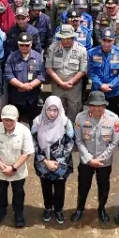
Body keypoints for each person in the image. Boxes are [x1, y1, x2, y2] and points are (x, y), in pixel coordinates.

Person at [71, 90, 119, 222]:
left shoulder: (113, 118)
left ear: (105, 105)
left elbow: (114, 142)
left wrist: (101, 159)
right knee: (83, 185)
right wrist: (89, 159)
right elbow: (79, 140)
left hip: (105, 162)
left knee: (103, 186)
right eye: (93, 105)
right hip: (86, 161)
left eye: (100, 105)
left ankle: (102, 209)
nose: (97, 108)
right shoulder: (80, 118)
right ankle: (80, 208)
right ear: (89, 105)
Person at [0, 104, 34, 227]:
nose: (7, 123)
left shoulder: (24, 131)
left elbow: (26, 153)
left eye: (11, 120)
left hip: (18, 169)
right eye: (5, 119)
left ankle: (18, 213)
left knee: (18, 191)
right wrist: (2, 167)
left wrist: (13, 168)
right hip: (0, 169)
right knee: (0, 191)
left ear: (17, 119)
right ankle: (0, 210)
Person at [31, 96, 75, 224]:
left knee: (60, 187)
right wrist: (45, 161)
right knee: (46, 186)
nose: (52, 113)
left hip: (61, 163)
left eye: (55, 110)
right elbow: (33, 142)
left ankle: (59, 210)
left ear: (60, 109)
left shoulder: (66, 123)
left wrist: (58, 162)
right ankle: (48, 208)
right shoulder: (37, 122)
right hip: (43, 162)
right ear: (45, 108)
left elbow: (70, 143)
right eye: (49, 109)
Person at [45, 24, 89, 120]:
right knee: (56, 112)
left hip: (74, 88)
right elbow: (48, 68)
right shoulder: (52, 48)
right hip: (57, 86)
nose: (66, 40)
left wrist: (71, 82)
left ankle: (72, 133)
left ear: (73, 37)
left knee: (74, 113)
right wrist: (61, 83)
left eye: (68, 38)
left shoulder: (81, 50)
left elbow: (83, 70)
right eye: (63, 38)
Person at [5, 32, 45, 123]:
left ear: (31, 44)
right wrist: (21, 86)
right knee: (15, 122)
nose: (24, 47)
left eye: (27, 45)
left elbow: (41, 74)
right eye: (21, 45)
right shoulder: (12, 57)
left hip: (32, 97)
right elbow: (8, 75)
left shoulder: (38, 57)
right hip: (16, 97)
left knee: (34, 122)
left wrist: (29, 86)